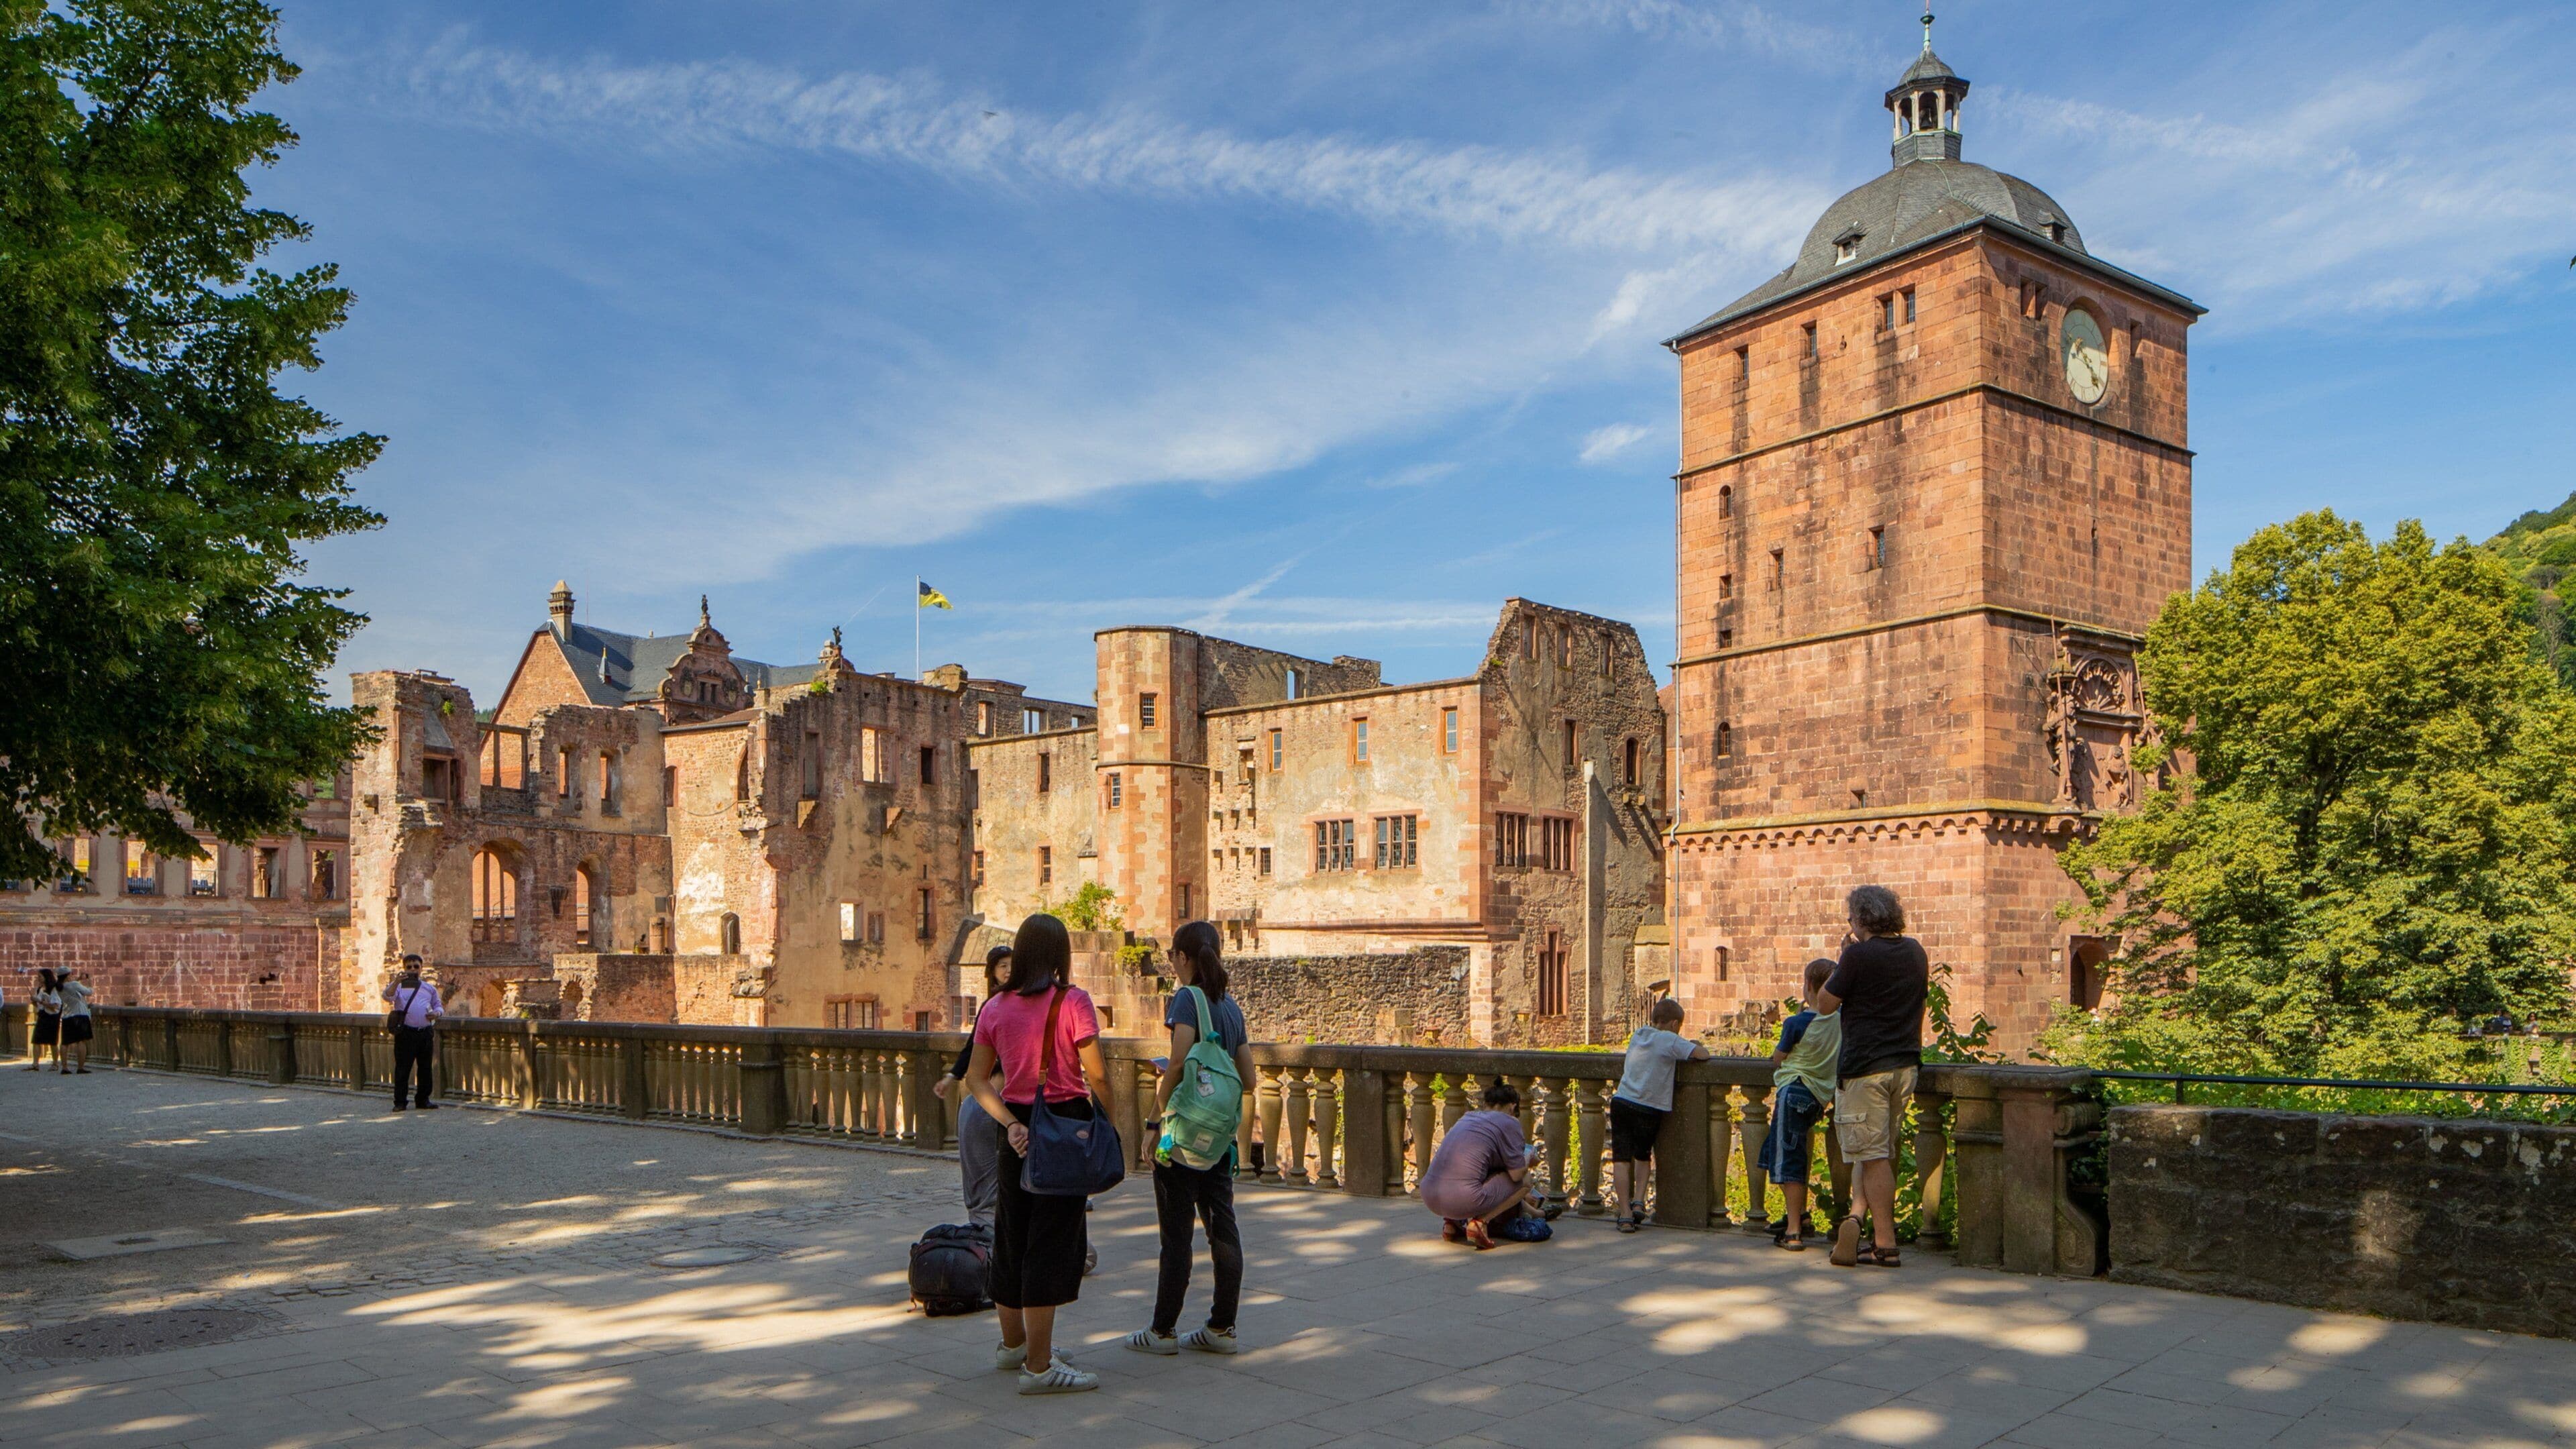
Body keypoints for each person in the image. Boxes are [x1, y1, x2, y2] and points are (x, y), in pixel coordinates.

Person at [963, 913, 1114, 1395]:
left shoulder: (995, 1008)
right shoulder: (1073, 1002)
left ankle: (1015, 1346)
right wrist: (1110, 1124)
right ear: (1059, 954)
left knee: (1012, 1237)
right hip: (1064, 1127)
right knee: (1051, 1244)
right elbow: (1098, 1075)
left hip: (1017, 1131)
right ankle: (1039, 1364)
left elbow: (976, 1080)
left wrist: (1009, 1124)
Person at [1126, 920, 1256, 1358]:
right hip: (1219, 1140)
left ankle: (1162, 1331)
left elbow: (1179, 1062)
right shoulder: (1231, 1008)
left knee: (1176, 1236)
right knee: (1224, 1230)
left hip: (1179, 1138)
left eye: (1172, 957)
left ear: (1183, 958)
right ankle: (1222, 1327)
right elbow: (1250, 1078)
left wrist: (1152, 1122)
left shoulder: (1188, 999)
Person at [1817, 885, 1928, 1268]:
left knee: (1874, 1155)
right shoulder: (1915, 951)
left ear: (1862, 919)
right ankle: (1858, 1215)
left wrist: (1845, 958)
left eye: (1850, 918)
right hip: (1906, 1065)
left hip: (1866, 1068)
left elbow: (1824, 1004)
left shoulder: (1858, 956)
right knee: (1876, 1149)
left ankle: (1885, 1243)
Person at [1758, 959, 1843, 1250]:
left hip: (1793, 1090)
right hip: (1819, 1097)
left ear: (1808, 986)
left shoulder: (1796, 1023)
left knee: (1787, 1160)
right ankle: (1801, 1216)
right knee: (1776, 1151)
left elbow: (1778, 1058)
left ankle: (1793, 1231)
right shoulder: (1841, 1019)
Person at [1607, 997, 1710, 1232]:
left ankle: (1624, 1214)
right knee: (1643, 1155)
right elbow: (1701, 1054)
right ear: (1675, 1024)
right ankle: (1639, 1201)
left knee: (1621, 1159)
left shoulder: (1639, 1034)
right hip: (1648, 1106)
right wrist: (1690, 1042)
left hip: (1622, 1100)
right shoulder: (1670, 1040)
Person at [932, 945, 1014, 1228]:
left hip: (1008, 1092)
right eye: (1002, 966)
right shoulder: (990, 1007)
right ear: (992, 972)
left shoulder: (1018, 1002)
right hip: (991, 1094)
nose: (1008, 970)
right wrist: (951, 1076)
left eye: (1012, 965)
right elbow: (972, 1049)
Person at [1419, 1081, 1537, 1249]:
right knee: (1525, 1180)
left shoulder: (1467, 1117)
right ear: (1512, 1107)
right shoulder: (1509, 1122)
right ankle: (1480, 1222)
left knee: (1469, 1174)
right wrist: (1528, 1157)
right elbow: (1517, 1175)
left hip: (1429, 1195)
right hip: (1463, 1199)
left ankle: (1451, 1223)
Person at [382, 957, 443, 1111]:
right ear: (404, 968)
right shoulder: (399, 987)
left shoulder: (429, 988)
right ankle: (400, 1102)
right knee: (403, 1069)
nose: (413, 970)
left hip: (425, 1032)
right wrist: (396, 982)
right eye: (409, 967)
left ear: (421, 968)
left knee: (425, 1068)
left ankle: (423, 1100)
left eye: (416, 967)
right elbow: (387, 996)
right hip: (406, 1033)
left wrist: (436, 1014)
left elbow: (438, 1006)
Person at [53, 969, 94, 1073]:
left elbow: (70, 985)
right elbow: (89, 992)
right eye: (70, 974)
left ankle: (64, 1067)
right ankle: (80, 1067)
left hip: (67, 1016)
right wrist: (90, 982)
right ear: (67, 976)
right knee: (81, 1041)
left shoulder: (59, 988)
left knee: (65, 1043)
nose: (72, 976)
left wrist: (79, 979)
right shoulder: (74, 985)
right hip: (80, 1015)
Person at [28, 968, 60, 1071]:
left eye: (40, 977)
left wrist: (40, 1001)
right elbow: (38, 1005)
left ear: (46, 978)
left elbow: (56, 1006)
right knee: (36, 1040)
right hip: (42, 1015)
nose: (38, 979)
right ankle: (35, 1063)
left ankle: (55, 1063)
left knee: (52, 1041)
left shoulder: (54, 990)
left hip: (52, 1017)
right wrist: (34, 1001)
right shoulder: (40, 989)